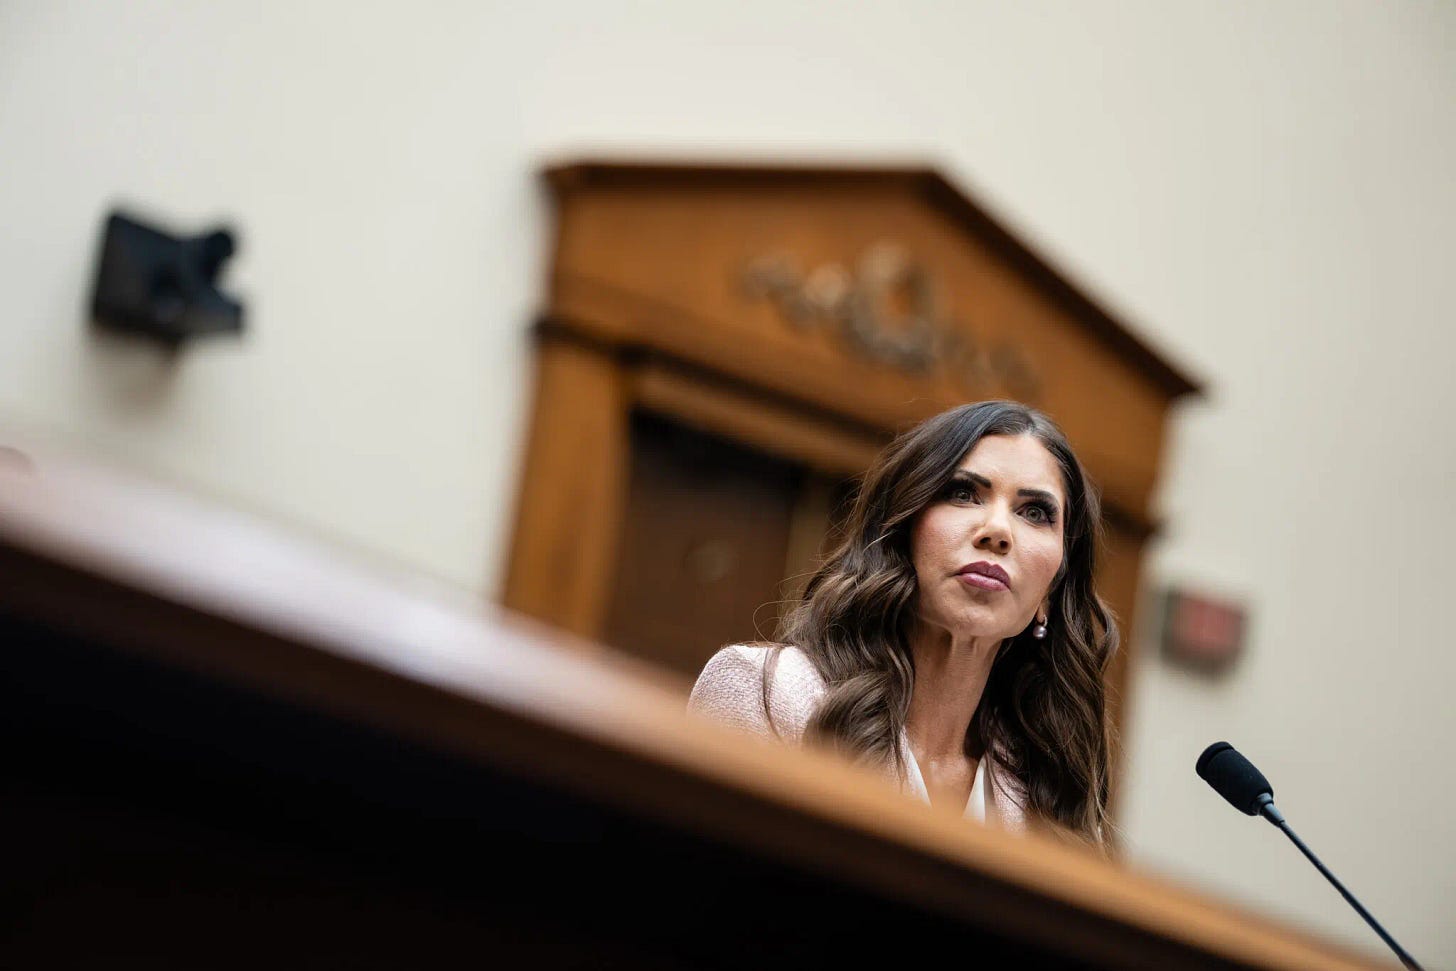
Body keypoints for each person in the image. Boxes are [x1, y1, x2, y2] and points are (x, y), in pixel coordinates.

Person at [688, 400, 1116, 847]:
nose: (998, 531)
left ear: (1051, 589)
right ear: (900, 533)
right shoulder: (766, 694)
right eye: (963, 493)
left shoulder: (1049, 781)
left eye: (1035, 513)